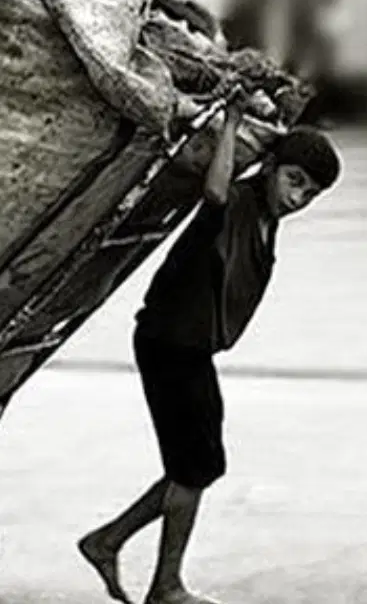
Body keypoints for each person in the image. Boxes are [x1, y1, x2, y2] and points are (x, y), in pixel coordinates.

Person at [77, 105, 343, 604]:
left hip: (193, 350)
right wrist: (231, 126)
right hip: (168, 345)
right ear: (269, 168)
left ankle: (107, 540)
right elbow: (215, 193)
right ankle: (165, 586)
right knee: (192, 467)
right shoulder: (239, 203)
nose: (298, 197)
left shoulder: (266, 218)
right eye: (294, 180)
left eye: (310, 193)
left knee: (203, 464)